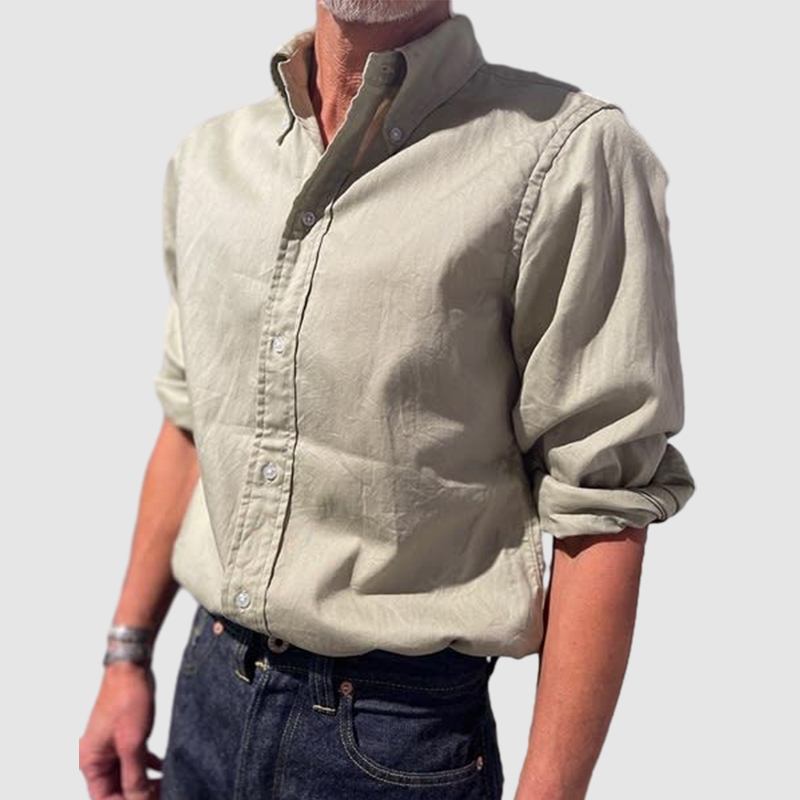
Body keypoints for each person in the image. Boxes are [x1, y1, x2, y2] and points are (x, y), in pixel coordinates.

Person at [78, 1, 696, 798]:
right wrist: (126, 654)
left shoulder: (569, 158)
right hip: (204, 694)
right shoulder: (211, 160)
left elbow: (602, 506)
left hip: (394, 741)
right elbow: (192, 422)